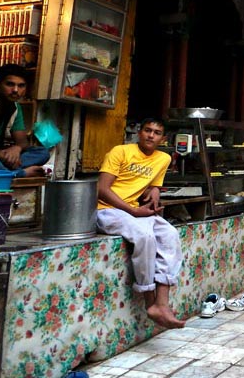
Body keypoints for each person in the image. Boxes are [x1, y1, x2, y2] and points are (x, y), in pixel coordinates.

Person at [96, 117, 185, 329]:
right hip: (107, 211)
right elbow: (102, 189)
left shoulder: (163, 158)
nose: (150, 135)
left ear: (163, 138)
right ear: (139, 132)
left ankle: (162, 303)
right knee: (145, 237)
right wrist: (133, 210)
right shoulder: (120, 151)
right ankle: (149, 300)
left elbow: (153, 185)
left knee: (170, 234)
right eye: (147, 130)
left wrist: (155, 190)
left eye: (156, 133)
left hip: (135, 212)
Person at [0, 64, 50, 177]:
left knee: (42, 152)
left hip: (0, 157)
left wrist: (17, 148)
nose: (15, 90)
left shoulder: (15, 108)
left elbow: (22, 142)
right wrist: (0, 154)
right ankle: (16, 173)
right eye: (10, 84)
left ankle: (4, 172)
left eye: (21, 86)